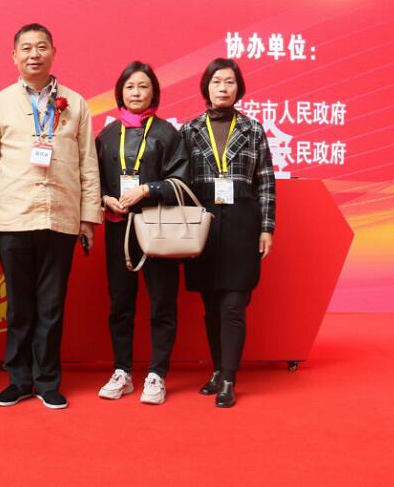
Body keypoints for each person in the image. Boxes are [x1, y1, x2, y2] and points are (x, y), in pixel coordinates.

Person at [0, 23, 101, 410]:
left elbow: (87, 164)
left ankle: (47, 380)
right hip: (14, 217)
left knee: (51, 306)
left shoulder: (76, 103)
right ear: (14, 56)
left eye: (41, 47)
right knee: (19, 306)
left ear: (53, 52)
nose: (34, 54)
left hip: (61, 216)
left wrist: (87, 217)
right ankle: (19, 380)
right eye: (26, 48)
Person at [180, 58, 275, 408]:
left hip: (241, 223)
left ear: (239, 88)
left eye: (230, 82)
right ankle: (218, 370)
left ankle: (230, 378)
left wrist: (267, 228)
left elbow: (265, 181)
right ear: (206, 87)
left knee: (234, 304)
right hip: (203, 224)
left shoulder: (253, 129)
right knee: (210, 305)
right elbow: (180, 181)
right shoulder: (189, 130)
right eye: (217, 81)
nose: (223, 88)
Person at [95, 61, 189, 405]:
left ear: (154, 93)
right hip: (119, 229)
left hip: (158, 228)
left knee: (162, 302)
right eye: (130, 87)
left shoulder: (167, 133)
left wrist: (148, 189)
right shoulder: (107, 136)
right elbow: (92, 180)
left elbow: (182, 180)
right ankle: (122, 371)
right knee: (120, 303)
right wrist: (104, 198)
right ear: (120, 93)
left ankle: (157, 373)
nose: (136, 93)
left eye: (143, 87)